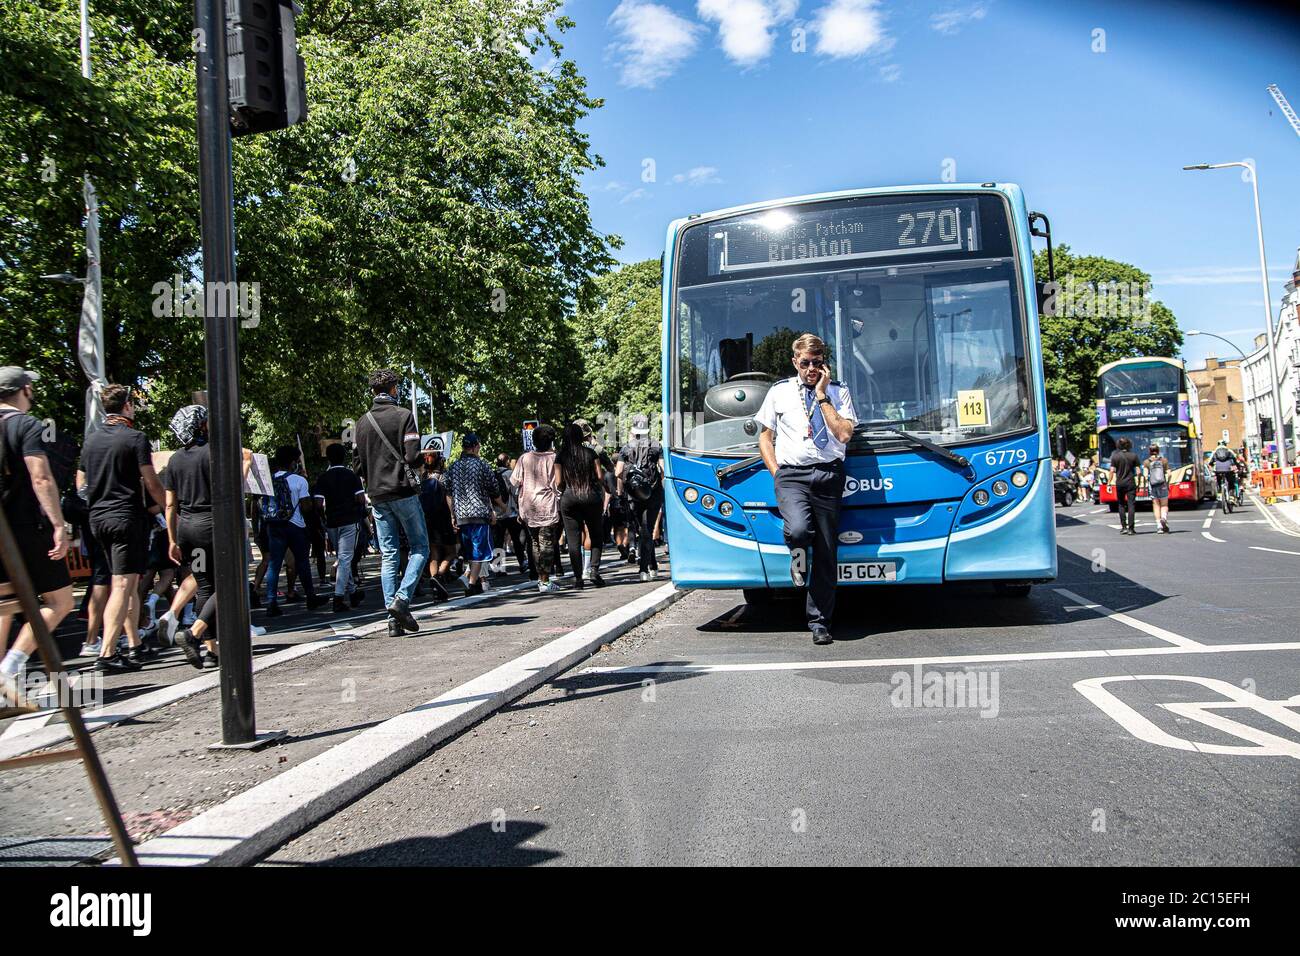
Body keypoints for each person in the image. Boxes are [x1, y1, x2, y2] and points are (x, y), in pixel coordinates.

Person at [754, 333, 857, 645]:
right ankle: (797, 556)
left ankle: (819, 622)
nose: (811, 368)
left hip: (828, 475)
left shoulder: (839, 392)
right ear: (794, 362)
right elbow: (764, 437)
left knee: (826, 553)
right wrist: (777, 473)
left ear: (823, 363)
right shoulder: (779, 392)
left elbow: (843, 435)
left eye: (816, 363)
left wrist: (823, 395)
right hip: (792, 476)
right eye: (805, 363)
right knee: (798, 530)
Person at [78, 384, 171, 671]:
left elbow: (80, 482)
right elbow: (152, 482)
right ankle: (107, 653)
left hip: (97, 518)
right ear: (128, 406)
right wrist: (167, 509)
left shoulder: (91, 440)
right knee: (121, 584)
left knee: (127, 581)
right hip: (125, 517)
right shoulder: (135, 438)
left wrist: (98, 497)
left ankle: (134, 645)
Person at [0, 367, 74, 703]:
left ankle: (2, 684)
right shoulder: (27, 425)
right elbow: (40, 477)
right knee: (59, 602)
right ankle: (11, 666)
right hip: (25, 527)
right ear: (25, 390)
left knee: (3, 605)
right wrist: (59, 524)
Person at [354, 368, 429, 636]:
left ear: (373, 391)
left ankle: (393, 619)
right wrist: (421, 464)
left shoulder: (362, 423)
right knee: (420, 547)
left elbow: (357, 464)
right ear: (394, 389)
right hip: (403, 491)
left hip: (377, 495)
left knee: (389, 554)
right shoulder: (404, 416)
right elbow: (412, 456)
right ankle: (402, 600)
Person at [260, 445, 328, 617]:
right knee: (302, 562)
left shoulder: (269, 480)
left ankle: (271, 602)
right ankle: (310, 596)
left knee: (274, 565)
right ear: (293, 462)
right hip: (295, 525)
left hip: (273, 525)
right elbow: (306, 507)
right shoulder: (299, 481)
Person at [311, 442, 368, 613]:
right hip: (349, 520)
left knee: (343, 558)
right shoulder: (351, 476)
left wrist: (323, 518)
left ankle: (352, 592)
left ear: (327, 458)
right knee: (345, 559)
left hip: (331, 522)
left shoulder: (323, 478)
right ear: (344, 457)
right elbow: (361, 500)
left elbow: (319, 503)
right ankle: (338, 598)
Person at [447, 433, 502, 597]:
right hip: (479, 514)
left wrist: (452, 514)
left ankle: (470, 579)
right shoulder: (482, 465)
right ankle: (470, 583)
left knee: (469, 551)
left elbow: (447, 491)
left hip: (461, 515)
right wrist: (502, 506)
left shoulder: (453, 467)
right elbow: (493, 488)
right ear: (476, 446)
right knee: (479, 552)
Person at [555, 422, 606, 589]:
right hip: (590, 496)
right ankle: (594, 570)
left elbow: (558, 482)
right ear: (580, 436)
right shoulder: (590, 453)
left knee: (573, 540)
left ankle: (578, 578)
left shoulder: (561, 456)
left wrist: (567, 490)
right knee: (596, 534)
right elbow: (599, 476)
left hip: (569, 498)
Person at [512, 424, 561, 593]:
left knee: (534, 543)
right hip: (546, 504)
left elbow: (515, 482)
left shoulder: (524, 458)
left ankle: (541, 578)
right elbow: (559, 483)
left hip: (528, 505)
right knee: (546, 542)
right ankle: (545, 580)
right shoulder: (555, 458)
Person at [616, 413, 665, 582]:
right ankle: (647, 567)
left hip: (633, 494)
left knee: (643, 530)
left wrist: (621, 490)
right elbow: (663, 470)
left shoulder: (625, 448)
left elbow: (617, 472)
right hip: (653, 492)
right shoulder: (656, 446)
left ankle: (648, 567)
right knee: (647, 530)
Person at [418, 450, 455, 601]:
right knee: (451, 552)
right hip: (443, 518)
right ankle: (438, 577)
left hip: (427, 519)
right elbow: (449, 497)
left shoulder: (422, 478)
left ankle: (435, 585)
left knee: (434, 554)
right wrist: (453, 515)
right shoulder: (444, 477)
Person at [493, 453, 529, 577]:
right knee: (516, 540)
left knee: (498, 541)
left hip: (497, 513)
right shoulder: (509, 474)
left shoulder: (493, 475)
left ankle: (498, 568)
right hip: (511, 512)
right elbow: (515, 493)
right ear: (507, 462)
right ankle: (522, 563)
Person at [1108, 437, 1140, 535]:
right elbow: (1138, 472)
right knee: (1131, 505)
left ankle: (1124, 527)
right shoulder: (1134, 456)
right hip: (1130, 482)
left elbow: (1112, 471)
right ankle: (1131, 528)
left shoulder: (1115, 457)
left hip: (1120, 483)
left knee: (1121, 505)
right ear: (1129, 444)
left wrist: (1109, 483)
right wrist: (1138, 482)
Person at [1144, 443, 1171, 534]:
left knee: (1156, 505)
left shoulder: (1147, 462)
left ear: (1149, 451)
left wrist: (1145, 484)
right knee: (1164, 504)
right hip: (1162, 484)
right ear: (1158, 450)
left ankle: (1159, 526)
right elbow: (1169, 474)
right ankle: (1164, 518)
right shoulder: (1163, 460)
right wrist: (1167, 483)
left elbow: (1145, 475)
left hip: (1153, 485)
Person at [1210, 439, 1238, 504]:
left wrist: (1213, 468)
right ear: (1225, 444)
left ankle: (1220, 494)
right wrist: (1236, 466)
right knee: (1231, 481)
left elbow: (1210, 462)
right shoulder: (1229, 451)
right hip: (1228, 469)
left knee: (1219, 481)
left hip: (1218, 469)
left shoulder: (1214, 452)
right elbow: (1235, 459)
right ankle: (1231, 497)